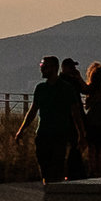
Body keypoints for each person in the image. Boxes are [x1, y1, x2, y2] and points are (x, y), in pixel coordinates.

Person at [14, 54, 84, 186]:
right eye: (41, 66)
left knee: (57, 166)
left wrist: (81, 134)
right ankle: (49, 192)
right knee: (44, 166)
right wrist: (21, 130)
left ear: (54, 68)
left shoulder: (66, 88)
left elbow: (75, 113)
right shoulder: (40, 88)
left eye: (44, 66)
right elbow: (33, 111)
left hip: (60, 134)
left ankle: (54, 195)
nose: (42, 69)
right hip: (43, 134)